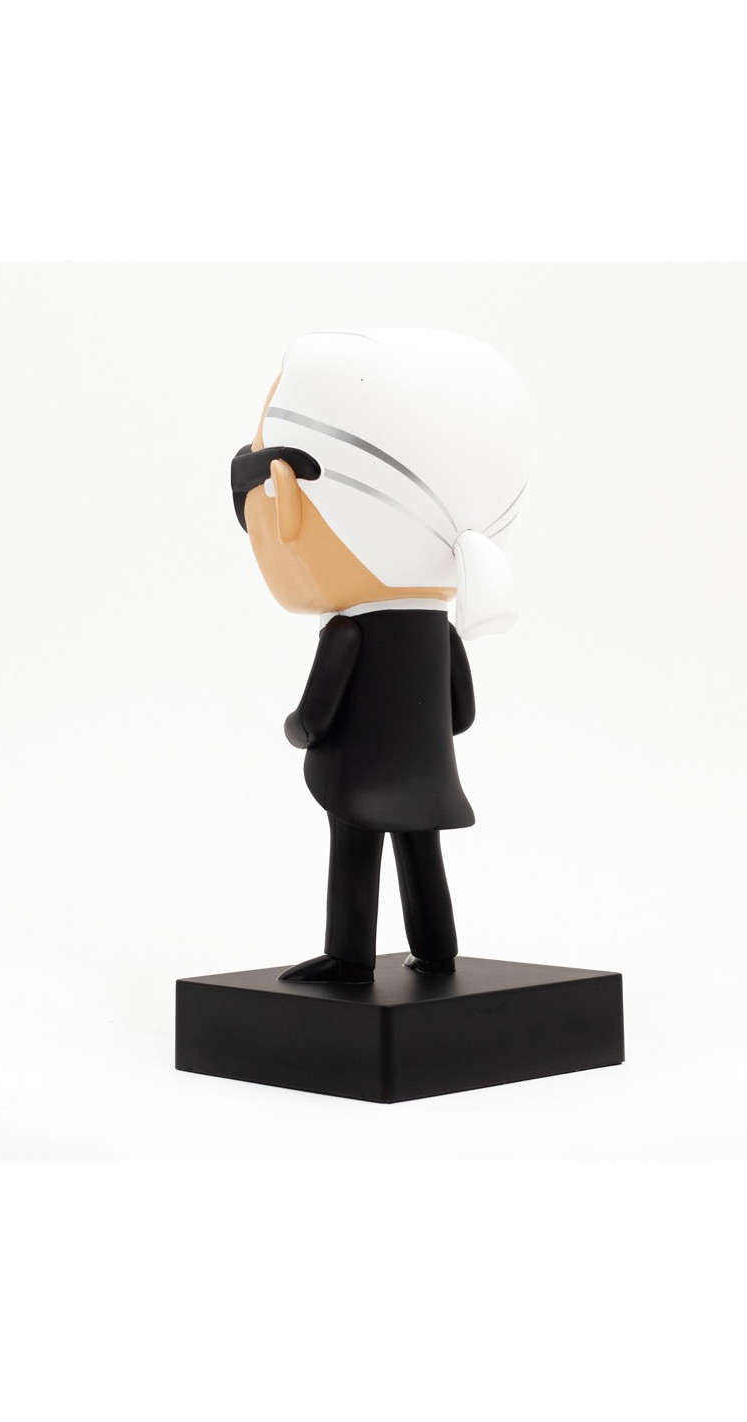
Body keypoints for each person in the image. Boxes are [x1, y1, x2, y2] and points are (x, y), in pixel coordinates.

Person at [230, 329, 530, 983]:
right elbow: (462, 715)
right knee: (423, 857)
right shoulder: (441, 632)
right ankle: (438, 950)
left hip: (357, 779)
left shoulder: (348, 632)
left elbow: (315, 718)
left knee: (354, 855)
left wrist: (295, 730)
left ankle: (349, 956)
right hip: (429, 779)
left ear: (285, 496)